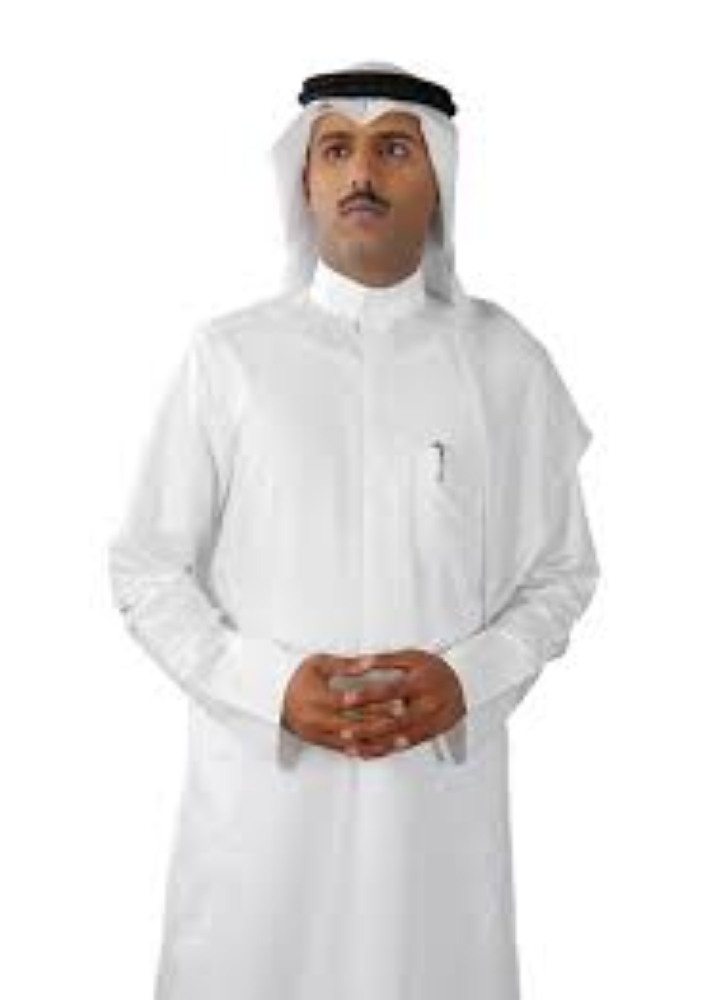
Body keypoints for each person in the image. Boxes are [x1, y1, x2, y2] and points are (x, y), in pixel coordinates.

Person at [108, 60, 601, 1000]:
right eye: (336, 150)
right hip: (263, 817)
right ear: (305, 180)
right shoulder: (229, 359)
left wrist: (468, 679)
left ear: (439, 179)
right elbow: (147, 569)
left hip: (432, 826)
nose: (361, 174)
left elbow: (562, 574)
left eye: (394, 150)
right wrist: (269, 687)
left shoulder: (506, 365)